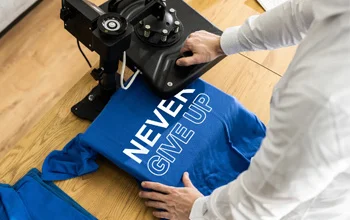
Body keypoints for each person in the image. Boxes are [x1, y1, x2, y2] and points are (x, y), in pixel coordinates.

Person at [138, 0, 350, 219]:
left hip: (303, 206)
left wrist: (198, 212)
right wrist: (224, 43)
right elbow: (304, 11)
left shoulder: (326, 102)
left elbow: (259, 206)